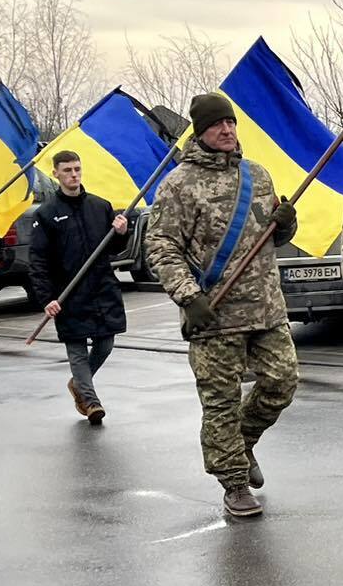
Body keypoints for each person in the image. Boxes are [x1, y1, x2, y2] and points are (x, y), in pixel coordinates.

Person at [146, 93, 300, 518]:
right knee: (220, 403)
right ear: (201, 131)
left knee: (282, 384)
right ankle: (233, 482)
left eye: (231, 123)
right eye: (218, 125)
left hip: (266, 308)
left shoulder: (258, 175)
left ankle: (243, 442)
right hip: (213, 315)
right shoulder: (179, 184)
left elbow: (272, 237)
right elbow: (161, 246)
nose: (228, 130)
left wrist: (286, 225)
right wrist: (188, 296)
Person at [28, 151, 130, 424]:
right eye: (67, 170)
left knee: (105, 344)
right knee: (76, 350)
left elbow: (114, 249)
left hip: (101, 288)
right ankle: (90, 400)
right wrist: (47, 297)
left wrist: (122, 233)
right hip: (68, 293)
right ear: (56, 174)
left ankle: (78, 384)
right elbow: (38, 260)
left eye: (77, 169)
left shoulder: (100, 206)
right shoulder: (47, 214)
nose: (74, 174)